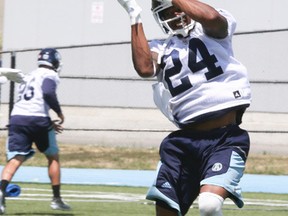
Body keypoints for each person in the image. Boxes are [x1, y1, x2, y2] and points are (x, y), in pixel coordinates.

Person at [118, 0, 252, 215]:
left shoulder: (211, 30)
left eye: (177, 7)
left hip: (224, 139)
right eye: (168, 12)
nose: (175, 14)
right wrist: (134, 14)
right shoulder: (161, 47)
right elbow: (144, 68)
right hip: (183, 142)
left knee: (209, 205)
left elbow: (211, 19)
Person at [0, 48, 71, 215]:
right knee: (52, 156)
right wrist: (59, 113)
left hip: (17, 118)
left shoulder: (29, 75)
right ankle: (56, 199)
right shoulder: (50, 75)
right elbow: (47, 92)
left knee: (16, 157)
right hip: (37, 118)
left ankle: (1, 190)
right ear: (55, 61)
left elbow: (30, 102)